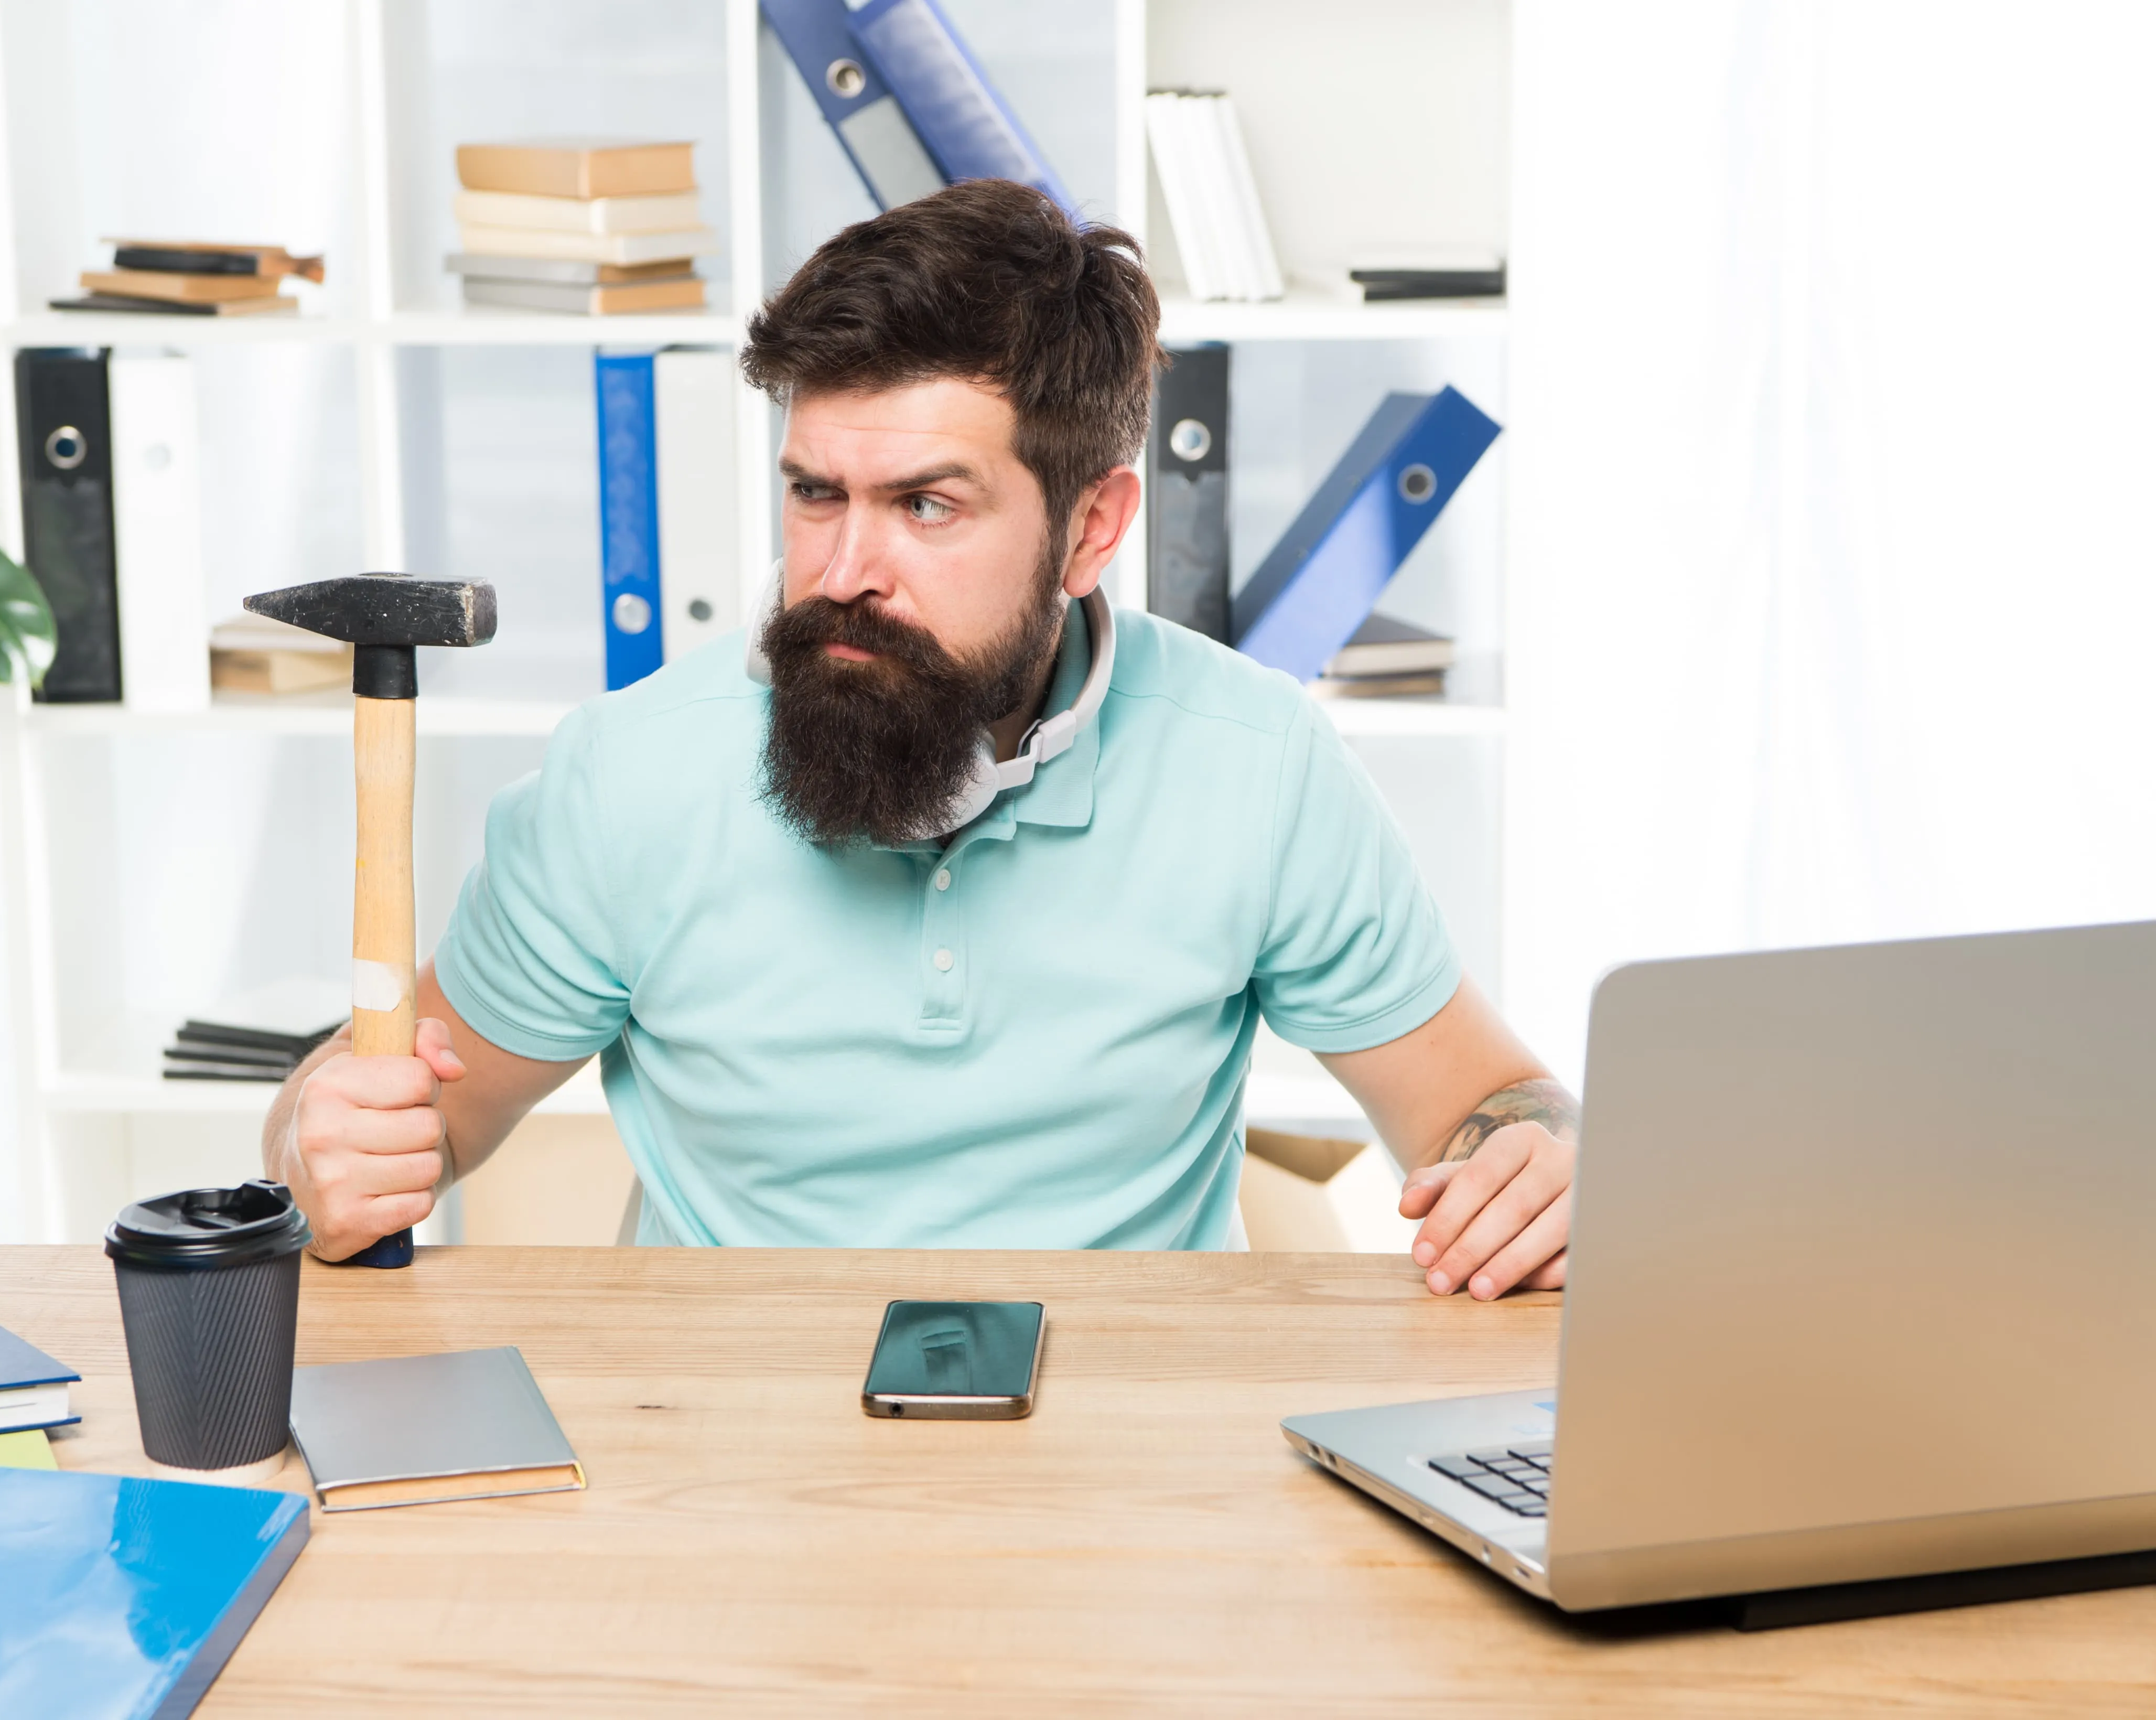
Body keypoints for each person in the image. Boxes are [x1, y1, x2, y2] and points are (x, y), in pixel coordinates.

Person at [263, 180, 1576, 1299]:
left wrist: (1537, 1157)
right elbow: (397, 1108)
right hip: (723, 1468)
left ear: (1093, 528)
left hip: (1127, 1469)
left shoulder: (1259, 765)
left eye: (927, 505)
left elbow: (1485, 1105)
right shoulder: (629, 776)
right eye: (816, 493)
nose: (844, 569)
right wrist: (314, 1142)